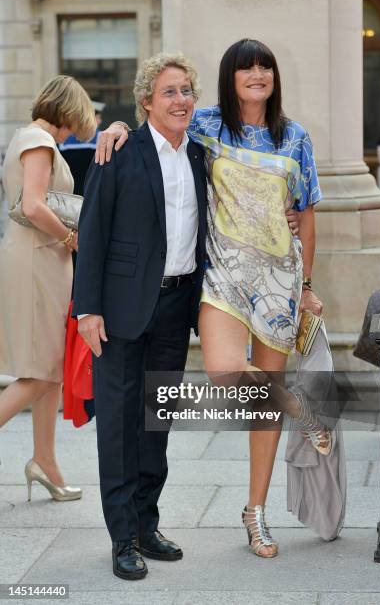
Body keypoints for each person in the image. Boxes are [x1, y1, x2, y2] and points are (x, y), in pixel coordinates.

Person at [97, 40, 327, 560]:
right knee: (227, 372)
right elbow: (153, 124)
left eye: (265, 65)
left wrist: (307, 285)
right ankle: (298, 406)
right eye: (246, 67)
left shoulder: (296, 139)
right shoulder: (204, 124)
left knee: (257, 408)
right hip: (221, 280)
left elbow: (306, 213)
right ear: (230, 77)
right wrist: (113, 128)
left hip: (278, 282)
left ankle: (256, 514)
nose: (257, 73)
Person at [72, 53, 208, 581]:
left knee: (157, 424)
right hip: (121, 311)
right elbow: (94, 230)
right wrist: (87, 308)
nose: (181, 100)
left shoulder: (200, 154)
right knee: (121, 429)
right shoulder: (120, 151)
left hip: (176, 308)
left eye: (187, 91)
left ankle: (147, 524)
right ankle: (122, 537)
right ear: (147, 100)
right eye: (170, 91)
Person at [0, 75, 96, 500]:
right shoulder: (38, 141)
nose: (81, 125)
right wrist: (68, 237)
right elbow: (34, 204)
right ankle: (45, 461)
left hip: (41, 260)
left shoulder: (32, 139)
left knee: (50, 368)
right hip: (39, 259)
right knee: (39, 374)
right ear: (69, 109)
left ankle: (45, 461)